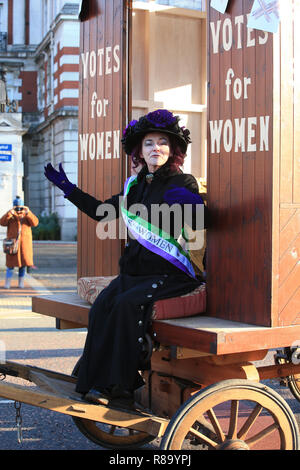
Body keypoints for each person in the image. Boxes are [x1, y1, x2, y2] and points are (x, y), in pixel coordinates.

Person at [44, 109, 206, 409]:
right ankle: (93, 379)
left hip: (170, 273)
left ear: (172, 150)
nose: (155, 148)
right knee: (102, 306)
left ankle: (120, 388)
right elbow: (101, 211)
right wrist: (69, 190)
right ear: (139, 151)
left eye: (162, 142)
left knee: (124, 306)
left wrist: (193, 205)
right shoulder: (135, 185)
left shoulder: (183, 182)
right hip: (135, 271)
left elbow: (202, 221)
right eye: (148, 143)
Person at [0, 196, 39, 289]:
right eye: (16, 207)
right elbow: (2, 222)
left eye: (20, 207)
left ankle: (21, 283)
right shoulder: (11, 215)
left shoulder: (26, 215)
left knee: (23, 265)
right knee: (10, 265)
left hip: (24, 245)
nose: (19, 209)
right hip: (12, 244)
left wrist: (28, 212)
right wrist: (9, 213)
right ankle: (7, 283)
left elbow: (35, 223)